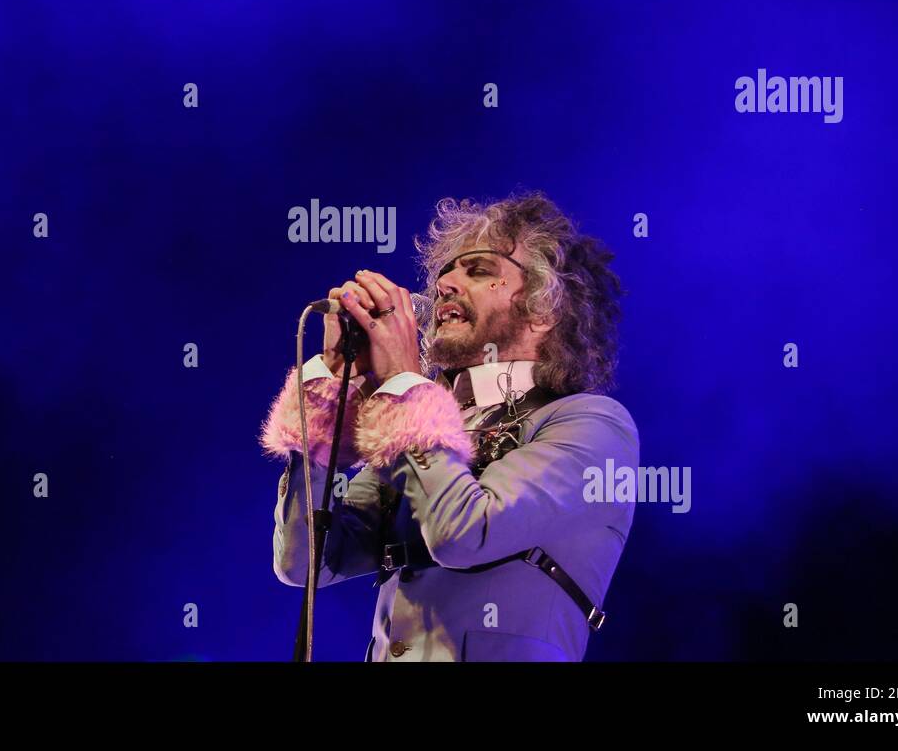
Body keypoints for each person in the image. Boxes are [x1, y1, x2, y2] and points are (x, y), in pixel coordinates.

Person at [260, 191, 639, 661]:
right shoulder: (423, 427)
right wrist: (326, 404)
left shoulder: (591, 424)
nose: (446, 285)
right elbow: (304, 563)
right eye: (444, 274)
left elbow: (464, 534)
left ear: (544, 310)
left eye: (479, 270)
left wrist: (404, 385)